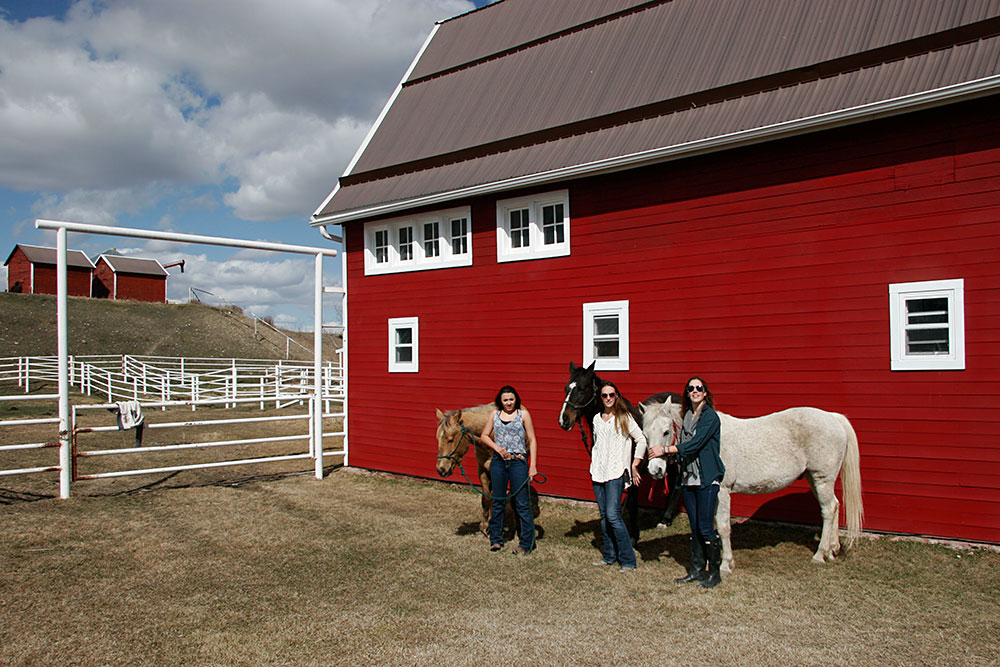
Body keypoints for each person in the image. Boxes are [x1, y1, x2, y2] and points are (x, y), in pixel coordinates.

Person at [651, 376, 725, 588]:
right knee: (694, 526)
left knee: (705, 527)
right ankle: (697, 570)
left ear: (705, 392)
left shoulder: (710, 417)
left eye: (699, 388)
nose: (695, 391)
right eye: (691, 388)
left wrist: (666, 450)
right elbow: (682, 442)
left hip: (706, 478)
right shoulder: (688, 416)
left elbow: (696, 443)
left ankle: (715, 573)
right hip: (689, 478)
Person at [590, 381, 647, 571]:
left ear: (617, 397)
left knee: (614, 516)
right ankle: (609, 556)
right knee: (605, 516)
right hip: (598, 472)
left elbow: (641, 440)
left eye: (611, 395)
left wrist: (635, 463)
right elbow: (597, 444)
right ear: (601, 398)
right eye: (604, 395)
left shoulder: (624, 417)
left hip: (616, 472)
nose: (608, 399)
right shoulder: (597, 419)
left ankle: (628, 560)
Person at [480, 385, 538, 554]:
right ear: (501, 401)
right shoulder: (494, 415)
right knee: (498, 501)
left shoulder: (523, 415)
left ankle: (527, 543)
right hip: (499, 462)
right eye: (505, 400)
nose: (508, 403)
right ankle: (496, 540)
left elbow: (532, 440)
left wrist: (532, 465)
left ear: (516, 399)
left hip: (518, 462)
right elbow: (484, 435)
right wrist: (496, 448)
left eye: (511, 399)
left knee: (521, 503)